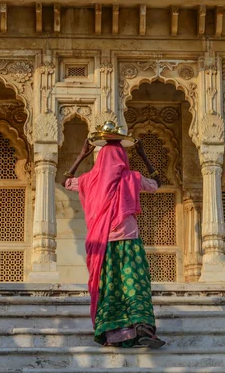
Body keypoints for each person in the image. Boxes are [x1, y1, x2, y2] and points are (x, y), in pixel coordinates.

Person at [62, 135, 165, 349]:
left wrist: (82, 156)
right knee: (134, 284)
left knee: (109, 287)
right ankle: (142, 328)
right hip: (129, 243)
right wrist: (143, 155)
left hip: (103, 245)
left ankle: (114, 333)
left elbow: (66, 181)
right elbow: (156, 183)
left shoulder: (89, 179)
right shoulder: (132, 178)